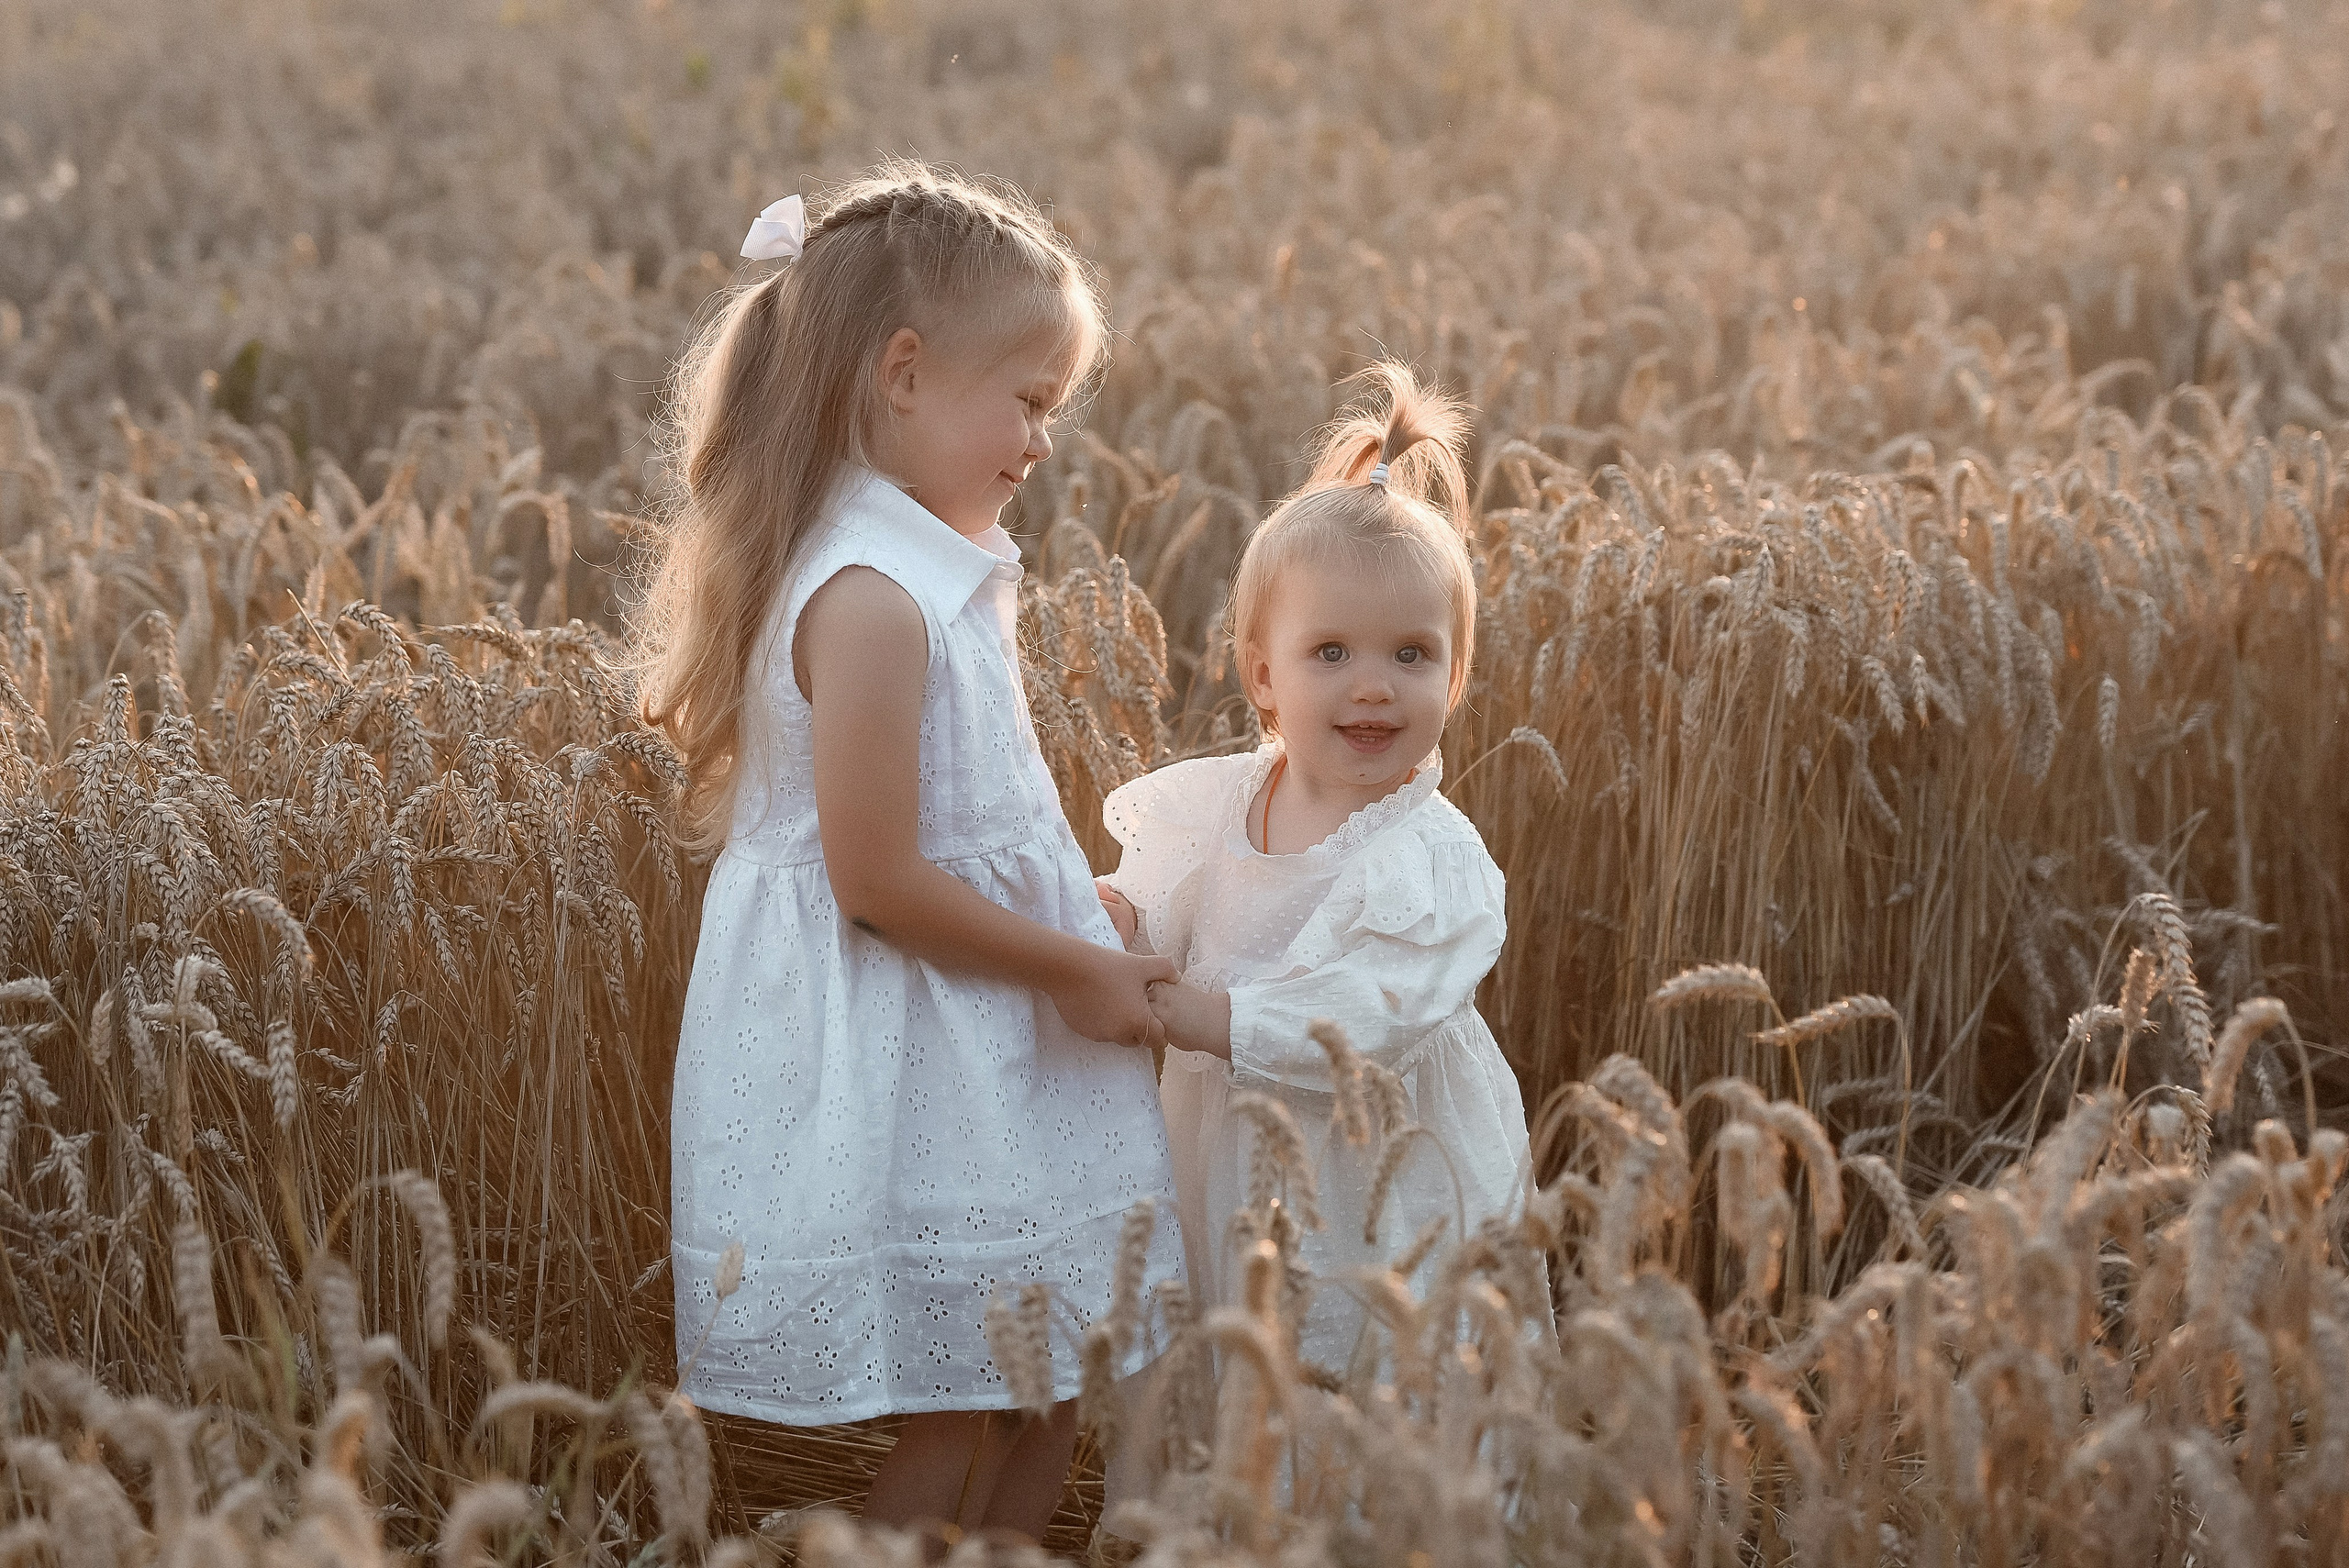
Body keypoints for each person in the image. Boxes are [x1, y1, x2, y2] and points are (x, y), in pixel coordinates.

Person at [634, 161, 1186, 1546]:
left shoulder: (930, 568)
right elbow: (875, 882)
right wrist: (1067, 962)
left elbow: (965, 819)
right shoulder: (871, 598)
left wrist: (1074, 895)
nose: (1042, 442)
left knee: (1051, 1380)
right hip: (916, 1047)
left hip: (981, 1018)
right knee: (974, 1391)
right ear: (901, 373)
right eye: (1030, 402)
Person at [1097, 363, 1531, 1378]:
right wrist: (1118, 929)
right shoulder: (1210, 805)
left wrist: (1201, 1018)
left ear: (1456, 674)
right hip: (1223, 1157)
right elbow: (1155, 915)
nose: (1373, 684)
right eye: (1329, 652)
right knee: (1233, 1368)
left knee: (1362, 1371)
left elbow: (1367, 1020)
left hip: (1376, 1176)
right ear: (1262, 673)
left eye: (1412, 655)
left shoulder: (1431, 859)